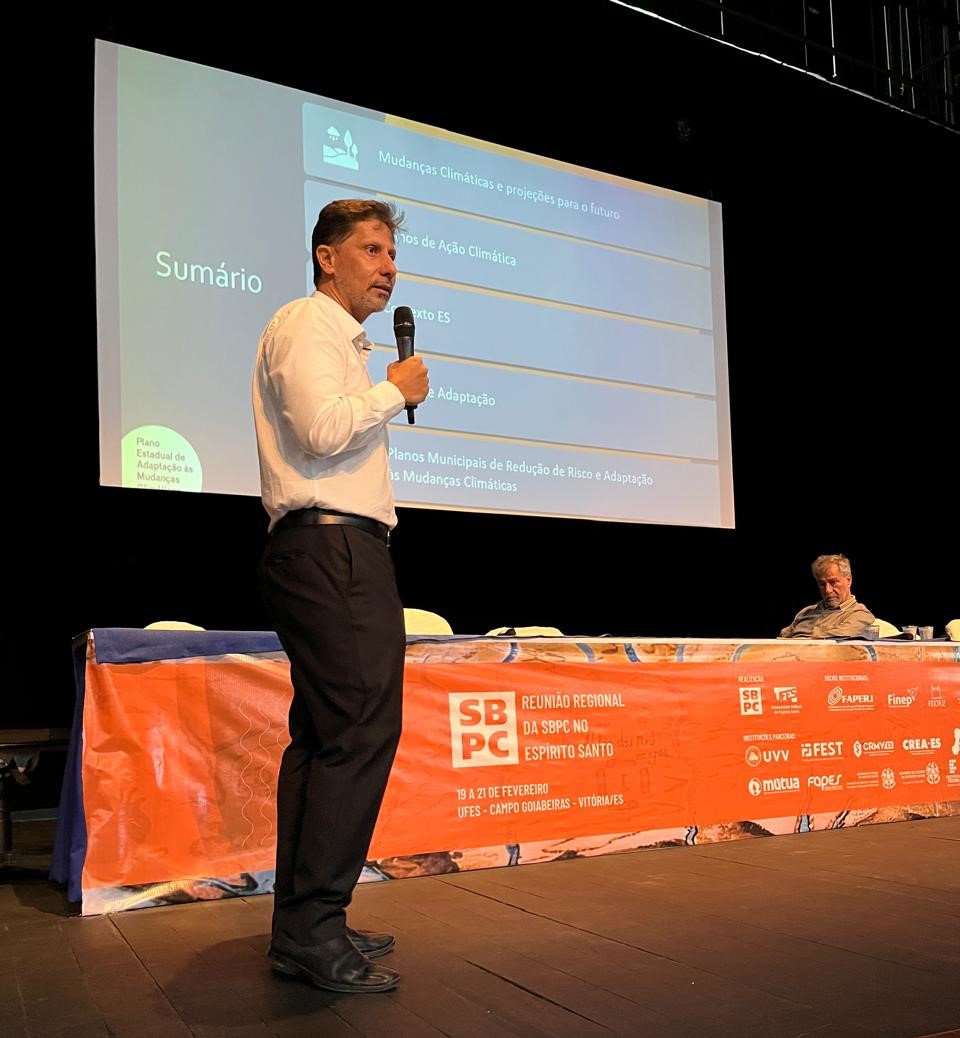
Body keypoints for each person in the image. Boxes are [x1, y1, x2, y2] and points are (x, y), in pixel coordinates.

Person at [252, 198, 429, 994]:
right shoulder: (306, 323)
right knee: (357, 735)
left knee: (325, 741)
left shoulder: (340, 343)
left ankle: (306, 924)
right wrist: (395, 390)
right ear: (328, 258)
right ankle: (314, 926)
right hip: (330, 550)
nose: (388, 267)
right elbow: (323, 430)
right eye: (372, 250)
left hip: (332, 550)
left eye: (391, 254)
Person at [778, 553, 876, 639]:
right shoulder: (805, 612)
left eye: (833, 582)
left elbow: (832, 642)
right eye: (822, 584)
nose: (827, 590)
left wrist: (800, 638)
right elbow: (782, 638)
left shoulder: (860, 614)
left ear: (848, 580)